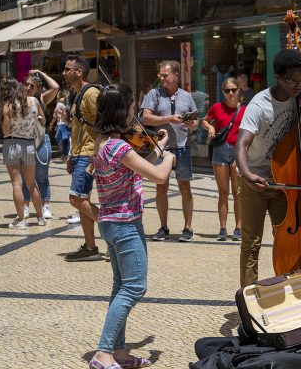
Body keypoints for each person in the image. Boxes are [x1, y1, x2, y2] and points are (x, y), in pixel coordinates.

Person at [88, 83, 175, 369]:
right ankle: (103, 352)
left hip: (111, 223)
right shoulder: (119, 146)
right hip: (125, 225)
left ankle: (119, 351)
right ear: (123, 110)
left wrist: (159, 146)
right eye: (131, 107)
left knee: (120, 285)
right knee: (135, 287)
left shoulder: (102, 142)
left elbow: (141, 166)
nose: (133, 112)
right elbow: (159, 176)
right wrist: (170, 157)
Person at [235, 49, 301, 286]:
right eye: (292, 80)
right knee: (252, 242)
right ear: (278, 77)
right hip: (255, 179)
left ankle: (288, 287)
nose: (298, 85)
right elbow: (242, 143)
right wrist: (247, 174)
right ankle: (248, 295)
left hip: (284, 182)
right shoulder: (259, 105)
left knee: (288, 238)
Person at [141, 60, 199, 242]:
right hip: (162, 149)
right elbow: (146, 118)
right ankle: (163, 227)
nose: (161, 78)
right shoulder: (154, 94)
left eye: (165, 75)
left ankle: (188, 228)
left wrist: (192, 124)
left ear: (175, 76)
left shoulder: (187, 97)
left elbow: (196, 123)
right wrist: (168, 119)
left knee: (185, 187)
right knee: (161, 187)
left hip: (183, 146)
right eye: (160, 75)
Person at [63, 54, 101, 261]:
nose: (64, 72)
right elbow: (78, 128)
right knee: (83, 199)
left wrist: (96, 153)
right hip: (79, 153)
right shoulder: (77, 94)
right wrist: (71, 155)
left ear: (79, 72)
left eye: (68, 69)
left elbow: (104, 124)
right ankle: (90, 247)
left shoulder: (91, 93)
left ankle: (111, 227)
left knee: (75, 198)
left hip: (88, 154)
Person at [202, 78, 245, 241]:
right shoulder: (217, 107)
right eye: (227, 90)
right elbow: (204, 120)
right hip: (220, 150)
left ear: (239, 90)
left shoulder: (245, 110)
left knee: (237, 192)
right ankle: (222, 229)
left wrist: (242, 155)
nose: (231, 93)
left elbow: (250, 134)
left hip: (237, 151)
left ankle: (238, 228)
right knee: (223, 192)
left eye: (234, 89)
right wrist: (211, 126)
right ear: (223, 92)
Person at [0, 78, 46, 228]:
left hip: (12, 143)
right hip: (29, 144)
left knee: (17, 183)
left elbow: (6, 131)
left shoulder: (8, 105)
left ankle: (22, 220)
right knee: (32, 183)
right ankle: (40, 218)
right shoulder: (33, 101)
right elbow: (43, 120)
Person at [21, 69, 59, 219]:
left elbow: (55, 87)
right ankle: (25, 205)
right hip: (25, 141)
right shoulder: (19, 100)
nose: (28, 88)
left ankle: (45, 206)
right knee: (25, 177)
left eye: (32, 86)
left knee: (42, 176)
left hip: (42, 140)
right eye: (26, 84)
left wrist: (41, 73)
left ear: (37, 88)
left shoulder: (42, 98)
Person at [49, 89, 71, 162]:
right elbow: (56, 116)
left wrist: (51, 124)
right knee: (65, 139)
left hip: (63, 124)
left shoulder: (60, 104)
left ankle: (65, 154)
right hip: (66, 124)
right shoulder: (66, 105)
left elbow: (55, 116)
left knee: (63, 139)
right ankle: (65, 154)